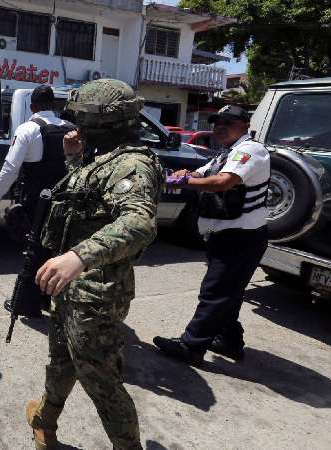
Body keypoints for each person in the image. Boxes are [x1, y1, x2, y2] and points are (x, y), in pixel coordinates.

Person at [25, 79, 163, 450]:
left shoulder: (132, 164)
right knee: (60, 360)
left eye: (82, 120)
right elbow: (84, 201)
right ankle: (44, 423)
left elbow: (138, 222)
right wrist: (74, 158)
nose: (76, 126)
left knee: (101, 382)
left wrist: (78, 256)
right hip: (70, 287)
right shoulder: (102, 157)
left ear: (106, 122)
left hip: (95, 293)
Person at [153, 105, 270, 366]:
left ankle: (191, 346)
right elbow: (204, 172)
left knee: (215, 292)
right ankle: (230, 341)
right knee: (229, 292)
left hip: (241, 237)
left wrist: (179, 182)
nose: (219, 126)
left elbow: (222, 182)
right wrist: (186, 173)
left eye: (228, 122)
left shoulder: (250, 151)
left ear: (244, 125)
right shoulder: (226, 153)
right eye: (217, 121)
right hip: (226, 234)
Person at [0, 85, 76, 318]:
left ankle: (27, 305)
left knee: (33, 252)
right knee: (56, 250)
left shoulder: (29, 128)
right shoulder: (71, 129)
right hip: (64, 203)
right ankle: (49, 299)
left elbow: (11, 167)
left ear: (32, 106)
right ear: (54, 105)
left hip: (36, 203)